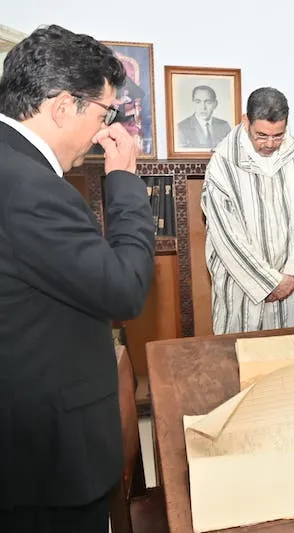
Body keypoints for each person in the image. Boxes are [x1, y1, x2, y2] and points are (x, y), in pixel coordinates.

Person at [0, 24, 155, 532]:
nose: (103, 129)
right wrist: (125, 180)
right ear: (65, 105)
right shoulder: (30, 187)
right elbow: (124, 288)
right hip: (45, 457)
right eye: (104, 113)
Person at [201, 87, 294, 334]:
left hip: (289, 283)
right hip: (243, 287)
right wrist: (268, 282)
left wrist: (291, 275)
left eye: (278, 135)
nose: (270, 144)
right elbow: (226, 235)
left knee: (290, 349)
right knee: (241, 351)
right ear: (246, 121)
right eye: (262, 135)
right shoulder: (223, 162)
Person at [177, 85, 232, 149]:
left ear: (215, 104)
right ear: (193, 103)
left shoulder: (224, 126)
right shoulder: (181, 128)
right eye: (198, 102)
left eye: (208, 102)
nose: (203, 107)